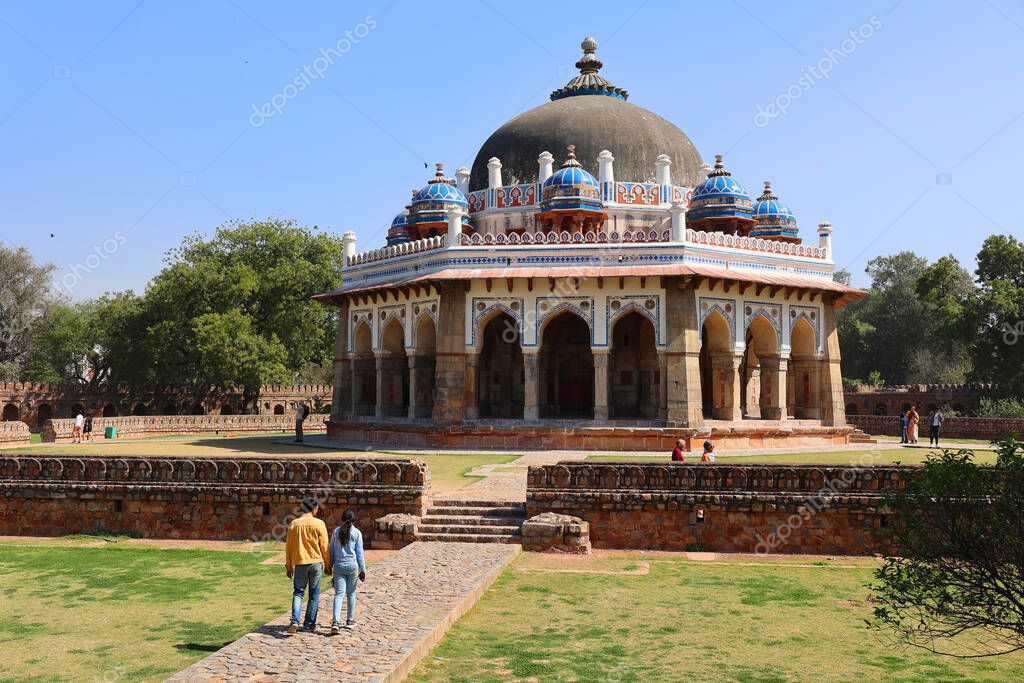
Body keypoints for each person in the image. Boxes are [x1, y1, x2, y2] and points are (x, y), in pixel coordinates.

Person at [285, 498, 330, 634]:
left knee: (298, 593)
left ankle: (295, 620)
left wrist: (288, 566)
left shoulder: (294, 524)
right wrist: (328, 565)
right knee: (314, 594)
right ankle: (309, 624)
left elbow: (289, 547)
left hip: (300, 563)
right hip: (316, 563)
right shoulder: (319, 524)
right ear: (314, 509)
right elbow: (324, 546)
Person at [329, 509, 366, 634]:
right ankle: (350, 620)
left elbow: (332, 551)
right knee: (351, 594)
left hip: (339, 565)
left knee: (339, 594)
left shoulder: (336, 532)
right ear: (353, 519)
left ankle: (335, 622)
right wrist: (363, 569)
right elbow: (360, 553)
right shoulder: (356, 533)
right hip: (352, 566)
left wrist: (330, 565)